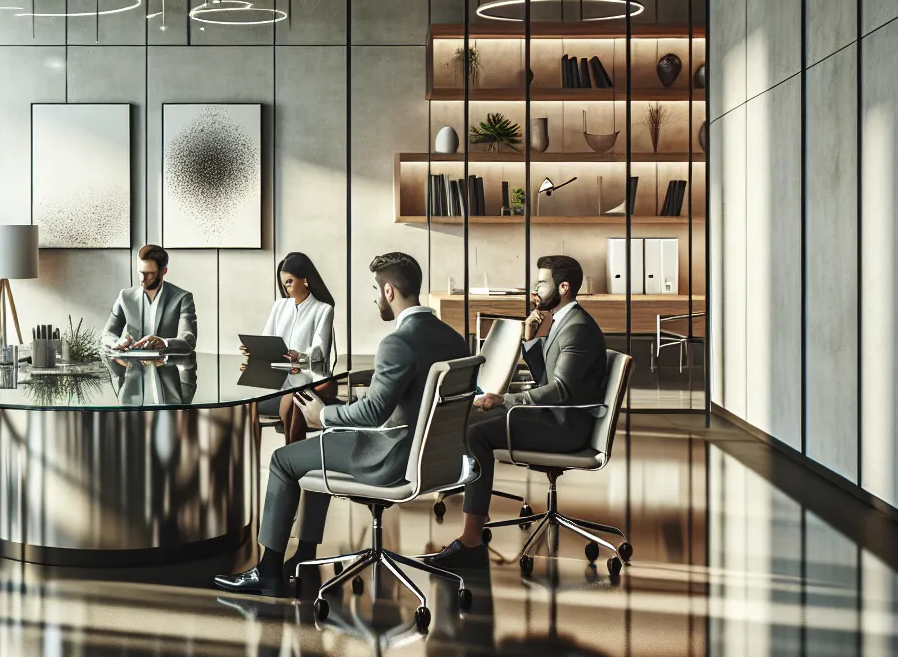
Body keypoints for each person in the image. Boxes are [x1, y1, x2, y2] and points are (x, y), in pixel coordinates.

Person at [215, 252, 468, 597]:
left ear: (389, 292)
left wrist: (324, 416)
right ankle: (304, 554)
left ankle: (268, 569)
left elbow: (375, 413)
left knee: (283, 460)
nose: (376, 298)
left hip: (387, 457)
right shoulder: (454, 339)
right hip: (434, 459)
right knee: (321, 445)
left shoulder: (397, 343)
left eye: (377, 291)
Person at [428, 254, 608, 570]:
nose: (535, 289)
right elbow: (548, 381)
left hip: (565, 428)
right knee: (473, 420)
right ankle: (477, 509)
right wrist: (531, 341)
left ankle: (471, 540)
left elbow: (561, 391)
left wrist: (507, 400)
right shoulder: (564, 321)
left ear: (563, 287)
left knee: (476, 434)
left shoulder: (576, 328)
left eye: (542, 282)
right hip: (556, 417)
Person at [242, 252, 337, 441]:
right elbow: (268, 339)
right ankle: (282, 460)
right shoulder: (279, 306)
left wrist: (300, 356)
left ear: (305, 280)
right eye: (284, 282)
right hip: (278, 380)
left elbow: (320, 350)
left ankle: (291, 457)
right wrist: (255, 352)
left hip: (309, 380)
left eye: (290, 281)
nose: (285, 287)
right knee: (249, 401)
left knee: (292, 401)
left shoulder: (323, 309)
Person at [102, 244, 198, 353]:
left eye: (149, 274)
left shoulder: (182, 298)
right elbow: (107, 334)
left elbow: (188, 341)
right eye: (141, 272)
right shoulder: (125, 296)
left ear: (163, 272)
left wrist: (164, 342)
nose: (143, 279)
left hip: (166, 366)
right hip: (133, 366)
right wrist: (116, 343)